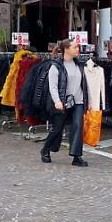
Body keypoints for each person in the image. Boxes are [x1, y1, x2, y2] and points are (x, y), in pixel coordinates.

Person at [41, 38, 90, 166]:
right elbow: (53, 86)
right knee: (57, 129)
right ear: (66, 49)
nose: (78, 49)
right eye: (75, 47)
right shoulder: (56, 66)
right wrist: (57, 101)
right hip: (62, 102)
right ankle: (45, 150)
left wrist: (87, 100)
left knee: (78, 127)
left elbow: (84, 84)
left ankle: (76, 156)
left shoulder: (80, 65)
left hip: (78, 101)